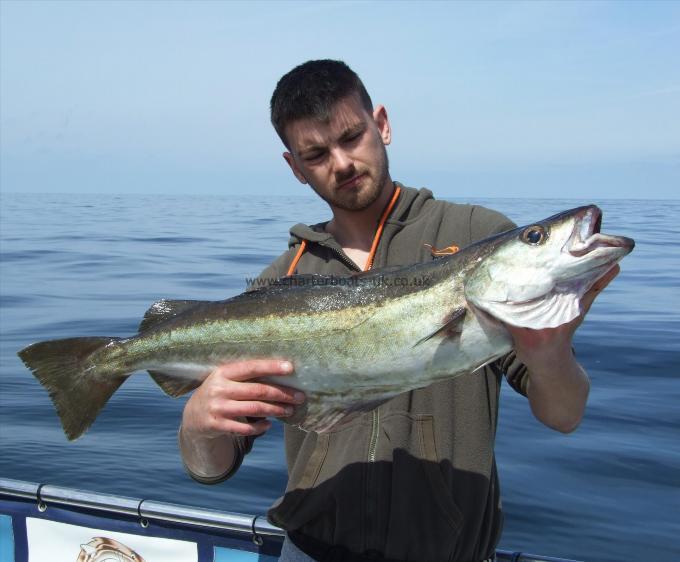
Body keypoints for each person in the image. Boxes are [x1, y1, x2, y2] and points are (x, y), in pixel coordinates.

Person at [178, 60, 619, 562]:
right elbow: (212, 469)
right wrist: (197, 426)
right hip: (309, 550)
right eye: (316, 154)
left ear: (382, 124)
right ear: (294, 167)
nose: (342, 163)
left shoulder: (476, 233)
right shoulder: (282, 278)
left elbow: (564, 416)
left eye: (352, 136)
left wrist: (550, 355)